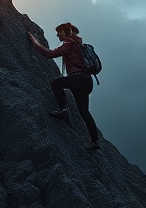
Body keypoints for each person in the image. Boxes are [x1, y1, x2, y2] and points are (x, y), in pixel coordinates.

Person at [29, 22, 101, 151]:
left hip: (77, 79)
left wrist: (35, 42)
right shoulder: (78, 44)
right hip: (86, 81)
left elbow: (49, 54)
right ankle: (94, 141)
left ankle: (63, 111)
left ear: (65, 32)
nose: (57, 35)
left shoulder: (69, 44)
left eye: (59, 32)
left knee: (55, 84)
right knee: (84, 112)